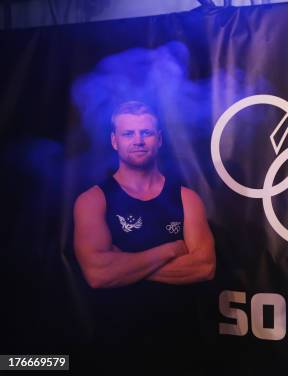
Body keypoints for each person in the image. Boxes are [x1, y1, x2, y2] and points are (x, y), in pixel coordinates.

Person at [73, 100, 215, 374]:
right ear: (115, 141)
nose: (138, 140)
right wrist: (170, 250)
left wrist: (123, 263)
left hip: (183, 349)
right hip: (117, 350)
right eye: (128, 134)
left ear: (159, 139)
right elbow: (98, 274)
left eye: (146, 133)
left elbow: (204, 267)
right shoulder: (93, 200)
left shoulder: (186, 198)